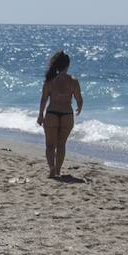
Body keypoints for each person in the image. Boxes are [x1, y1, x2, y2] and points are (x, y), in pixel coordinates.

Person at [36, 50, 82, 178]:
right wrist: (79, 108)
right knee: (61, 144)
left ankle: (51, 168)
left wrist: (40, 115)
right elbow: (79, 99)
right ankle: (58, 170)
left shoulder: (49, 80)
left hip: (51, 113)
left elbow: (44, 99)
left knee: (50, 145)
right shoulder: (73, 81)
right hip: (67, 114)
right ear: (67, 65)